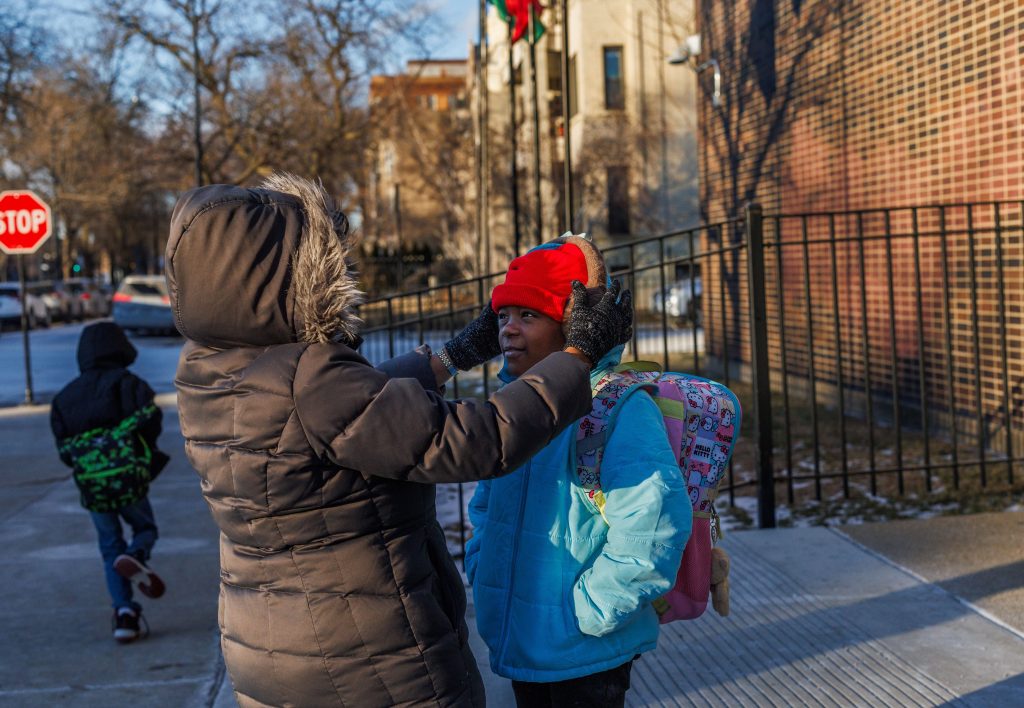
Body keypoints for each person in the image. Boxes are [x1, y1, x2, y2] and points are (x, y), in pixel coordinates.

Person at [165, 172, 633, 707]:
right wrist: (578, 356)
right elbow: (478, 439)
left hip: (272, 645)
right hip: (366, 660)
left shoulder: (209, 369)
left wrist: (451, 357)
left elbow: (355, 411)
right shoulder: (310, 378)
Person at [464, 235, 692, 708]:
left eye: (529, 316)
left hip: (585, 651)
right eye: (503, 315)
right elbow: (486, 505)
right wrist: (482, 564)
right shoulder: (510, 409)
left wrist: (591, 610)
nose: (508, 330)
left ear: (573, 326)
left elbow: (654, 523)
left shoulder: (617, 407)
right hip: (521, 640)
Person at [50, 321, 170, 644]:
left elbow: (64, 449)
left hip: (93, 486)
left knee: (108, 545)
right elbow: (152, 423)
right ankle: (136, 555)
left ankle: (124, 615)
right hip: (128, 479)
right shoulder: (129, 384)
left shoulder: (65, 397)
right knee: (145, 528)